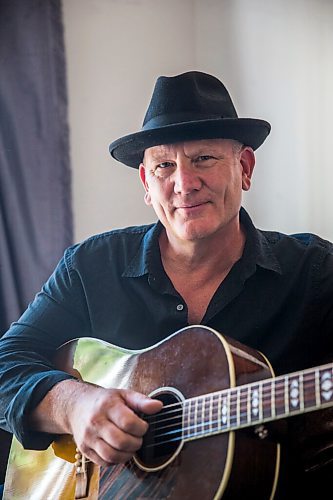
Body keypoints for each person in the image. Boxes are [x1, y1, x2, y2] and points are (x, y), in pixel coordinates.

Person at [0, 70, 333, 499]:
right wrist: (73, 405)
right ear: (146, 183)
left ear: (245, 168)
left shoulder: (315, 274)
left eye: (203, 159)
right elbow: (7, 363)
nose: (184, 183)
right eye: (164, 166)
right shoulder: (91, 266)